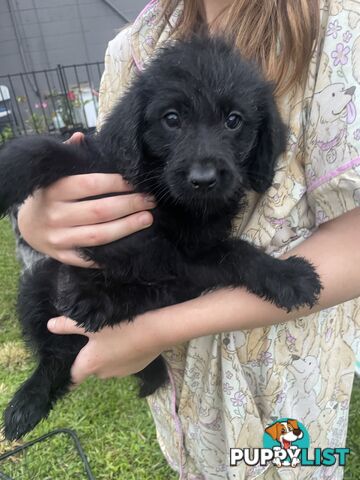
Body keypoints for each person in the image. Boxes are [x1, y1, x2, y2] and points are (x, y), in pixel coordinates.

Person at [11, 0, 360, 478]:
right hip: (185, 394)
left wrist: (149, 334)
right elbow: (98, 163)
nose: (201, 165)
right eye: (173, 120)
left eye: (232, 123)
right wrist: (33, 216)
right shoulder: (133, 47)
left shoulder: (342, 31)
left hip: (286, 380)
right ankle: (48, 376)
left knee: (287, 469)